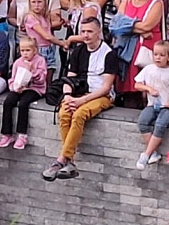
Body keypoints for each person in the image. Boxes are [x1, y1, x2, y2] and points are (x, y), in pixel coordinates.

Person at [42, 16, 118, 181]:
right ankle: (69, 162)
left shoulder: (109, 53)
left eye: (90, 31)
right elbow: (68, 79)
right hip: (77, 93)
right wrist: (68, 96)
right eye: (83, 31)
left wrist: (81, 101)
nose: (85, 35)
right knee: (63, 113)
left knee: (79, 115)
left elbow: (106, 87)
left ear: (99, 32)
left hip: (100, 95)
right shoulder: (78, 51)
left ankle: (62, 159)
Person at [134, 41, 169, 169]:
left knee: (160, 124)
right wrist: (148, 88)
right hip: (153, 104)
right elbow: (137, 84)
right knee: (143, 122)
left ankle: (146, 154)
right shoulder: (148, 69)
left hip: (167, 106)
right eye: (155, 55)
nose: (158, 58)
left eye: (161, 55)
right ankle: (153, 152)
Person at [0, 37, 48, 150]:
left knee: (23, 103)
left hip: (35, 88)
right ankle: (6, 133)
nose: (25, 53)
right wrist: (14, 87)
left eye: (28, 50)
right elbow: (12, 78)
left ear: (35, 50)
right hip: (20, 88)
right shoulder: (18, 62)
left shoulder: (40, 61)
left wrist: (33, 71)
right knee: (8, 102)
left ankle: (22, 134)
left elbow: (41, 79)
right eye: (22, 50)